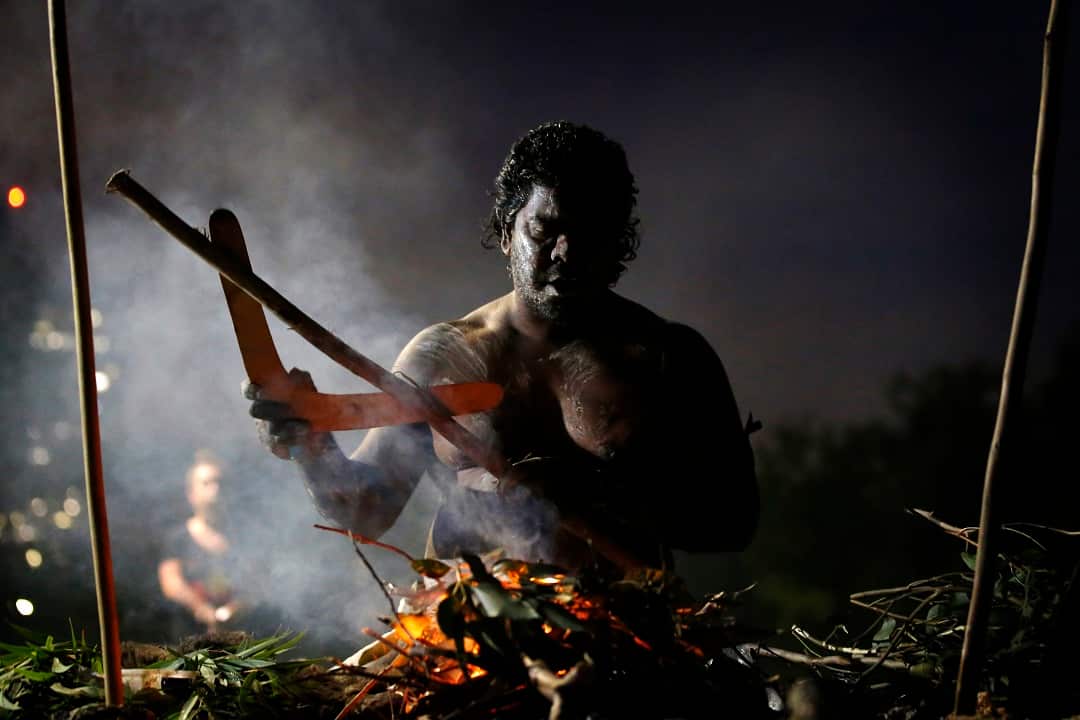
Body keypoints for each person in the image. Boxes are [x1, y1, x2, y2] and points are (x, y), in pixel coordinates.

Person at [248, 121, 759, 571]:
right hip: (465, 635)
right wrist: (310, 447)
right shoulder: (442, 357)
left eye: (589, 234)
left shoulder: (668, 359)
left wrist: (589, 494)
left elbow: (732, 523)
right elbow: (366, 512)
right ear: (508, 232)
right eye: (544, 230)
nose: (565, 253)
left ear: (616, 242)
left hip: (622, 633)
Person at [157, 451, 243, 633]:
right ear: (191, 493)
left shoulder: (242, 537)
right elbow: (171, 582)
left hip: (241, 637)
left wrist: (236, 608)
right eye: (206, 483)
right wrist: (201, 608)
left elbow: (258, 583)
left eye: (220, 483)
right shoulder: (178, 538)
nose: (215, 490)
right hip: (190, 638)